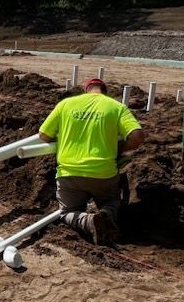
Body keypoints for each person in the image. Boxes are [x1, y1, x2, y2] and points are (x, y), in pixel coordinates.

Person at [38, 78, 145, 245]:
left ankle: (87, 221)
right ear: (104, 91)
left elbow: (43, 135)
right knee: (112, 201)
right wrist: (120, 148)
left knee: (67, 212)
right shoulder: (116, 107)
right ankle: (106, 215)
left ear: (85, 90)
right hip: (103, 173)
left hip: (69, 174)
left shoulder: (66, 104)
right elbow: (137, 137)